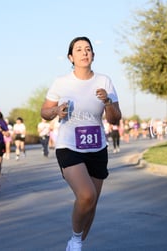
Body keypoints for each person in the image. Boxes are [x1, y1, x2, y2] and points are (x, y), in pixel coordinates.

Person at [41, 36, 122, 251]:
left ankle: (77, 244)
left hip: (97, 147)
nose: (84, 52)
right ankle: (76, 240)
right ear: (71, 57)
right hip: (69, 146)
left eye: (88, 49)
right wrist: (56, 111)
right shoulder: (61, 82)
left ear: (93, 55)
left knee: (92, 203)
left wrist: (107, 101)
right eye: (79, 50)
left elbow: (115, 119)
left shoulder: (104, 81)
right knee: (87, 195)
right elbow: (44, 112)